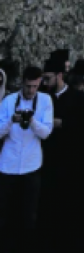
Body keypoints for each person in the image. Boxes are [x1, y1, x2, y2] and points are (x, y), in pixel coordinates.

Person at [40, 50, 84, 252]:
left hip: (69, 164)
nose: (45, 82)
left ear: (60, 76)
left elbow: (81, 127)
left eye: (48, 78)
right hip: (49, 162)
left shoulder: (77, 98)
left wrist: (60, 123)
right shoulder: (45, 97)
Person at [0, 65, 53, 251]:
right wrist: (10, 122)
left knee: (29, 216)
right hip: (8, 164)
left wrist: (31, 121)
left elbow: (46, 133)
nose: (31, 90)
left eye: (35, 86)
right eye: (28, 86)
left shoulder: (45, 101)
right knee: (5, 215)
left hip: (31, 165)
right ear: (22, 82)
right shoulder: (8, 101)